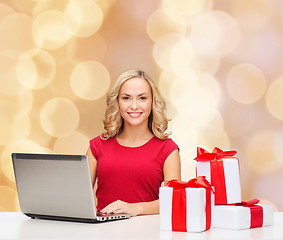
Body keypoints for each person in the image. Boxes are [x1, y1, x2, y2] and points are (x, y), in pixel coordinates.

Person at [86, 69, 181, 216]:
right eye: (126, 98)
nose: (134, 106)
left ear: (152, 102)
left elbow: (175, 200)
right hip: (103, 233)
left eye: (142, 98)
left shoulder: (167, 149)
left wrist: (134, 208)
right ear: (117, 102)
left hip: (148, 232)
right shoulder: (97, 147)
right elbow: (79, 198)